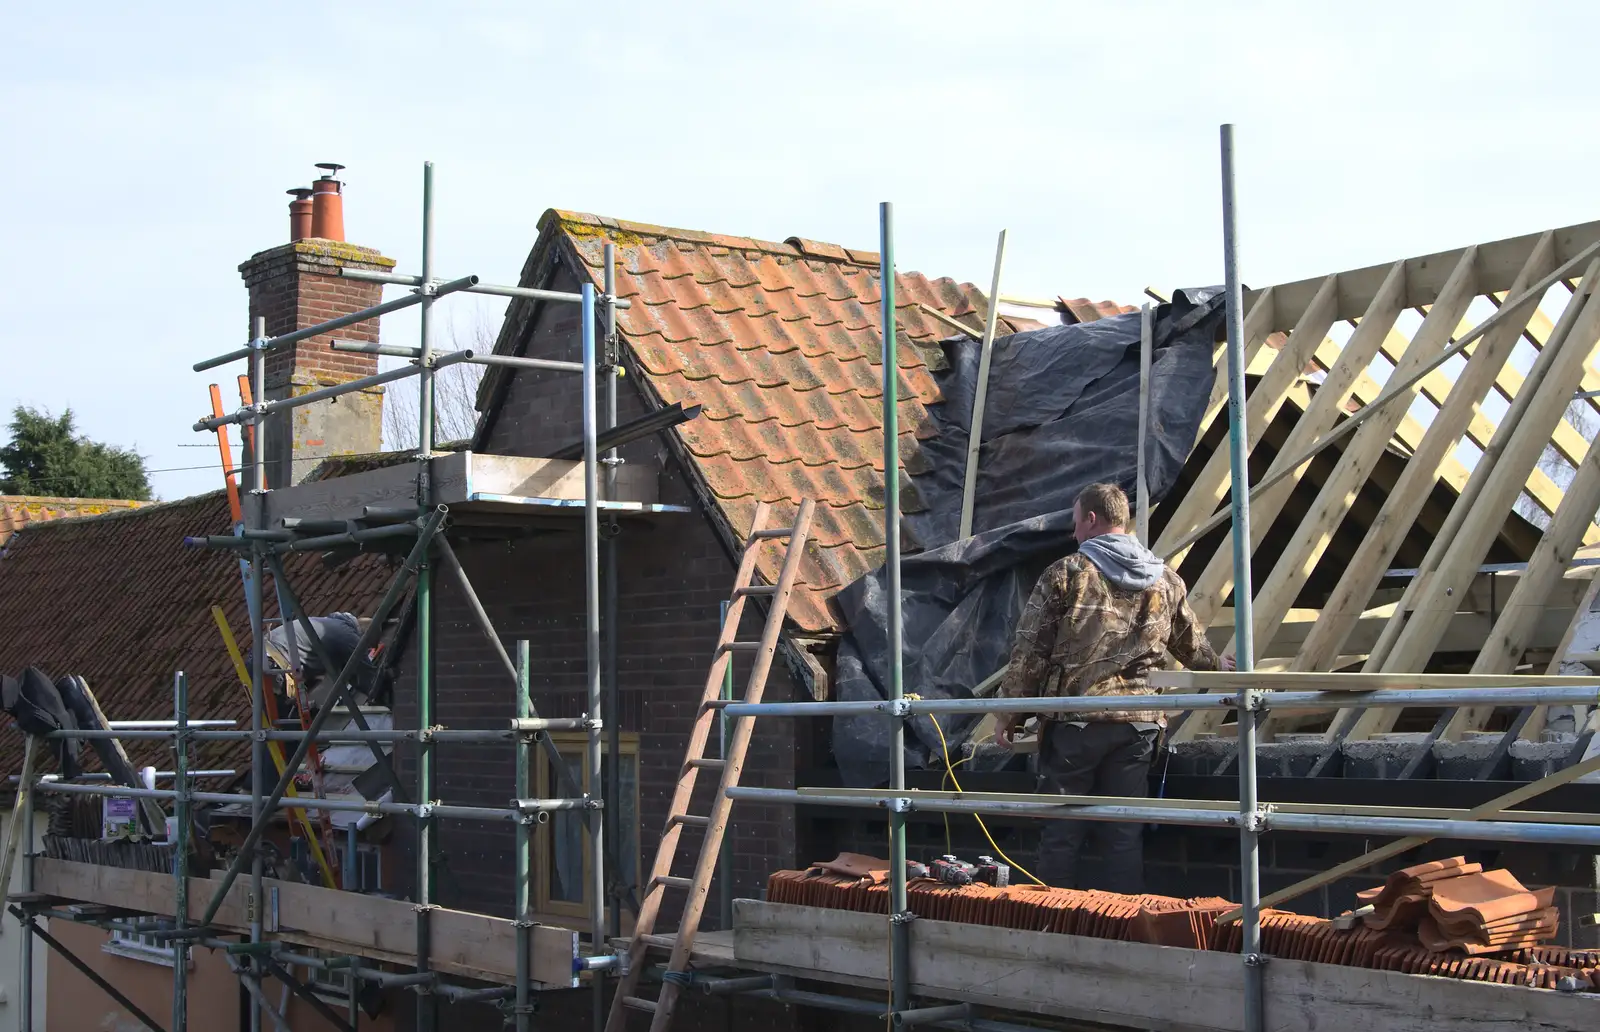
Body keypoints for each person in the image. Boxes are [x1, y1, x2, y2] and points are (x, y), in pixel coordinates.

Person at [994, 482, 1233, 893]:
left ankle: (1055, 922)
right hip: (1139, 727)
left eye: (1075, 524)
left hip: (1077, 726)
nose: (1073, 535)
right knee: (1123, 835)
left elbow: (1030, 651)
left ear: (1091, 519)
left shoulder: (1067, 574)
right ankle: (1123, 923)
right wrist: (1221, 666)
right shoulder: (1165, 581)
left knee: (1062, 832)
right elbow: (1190, 645)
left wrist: (1009, 714)